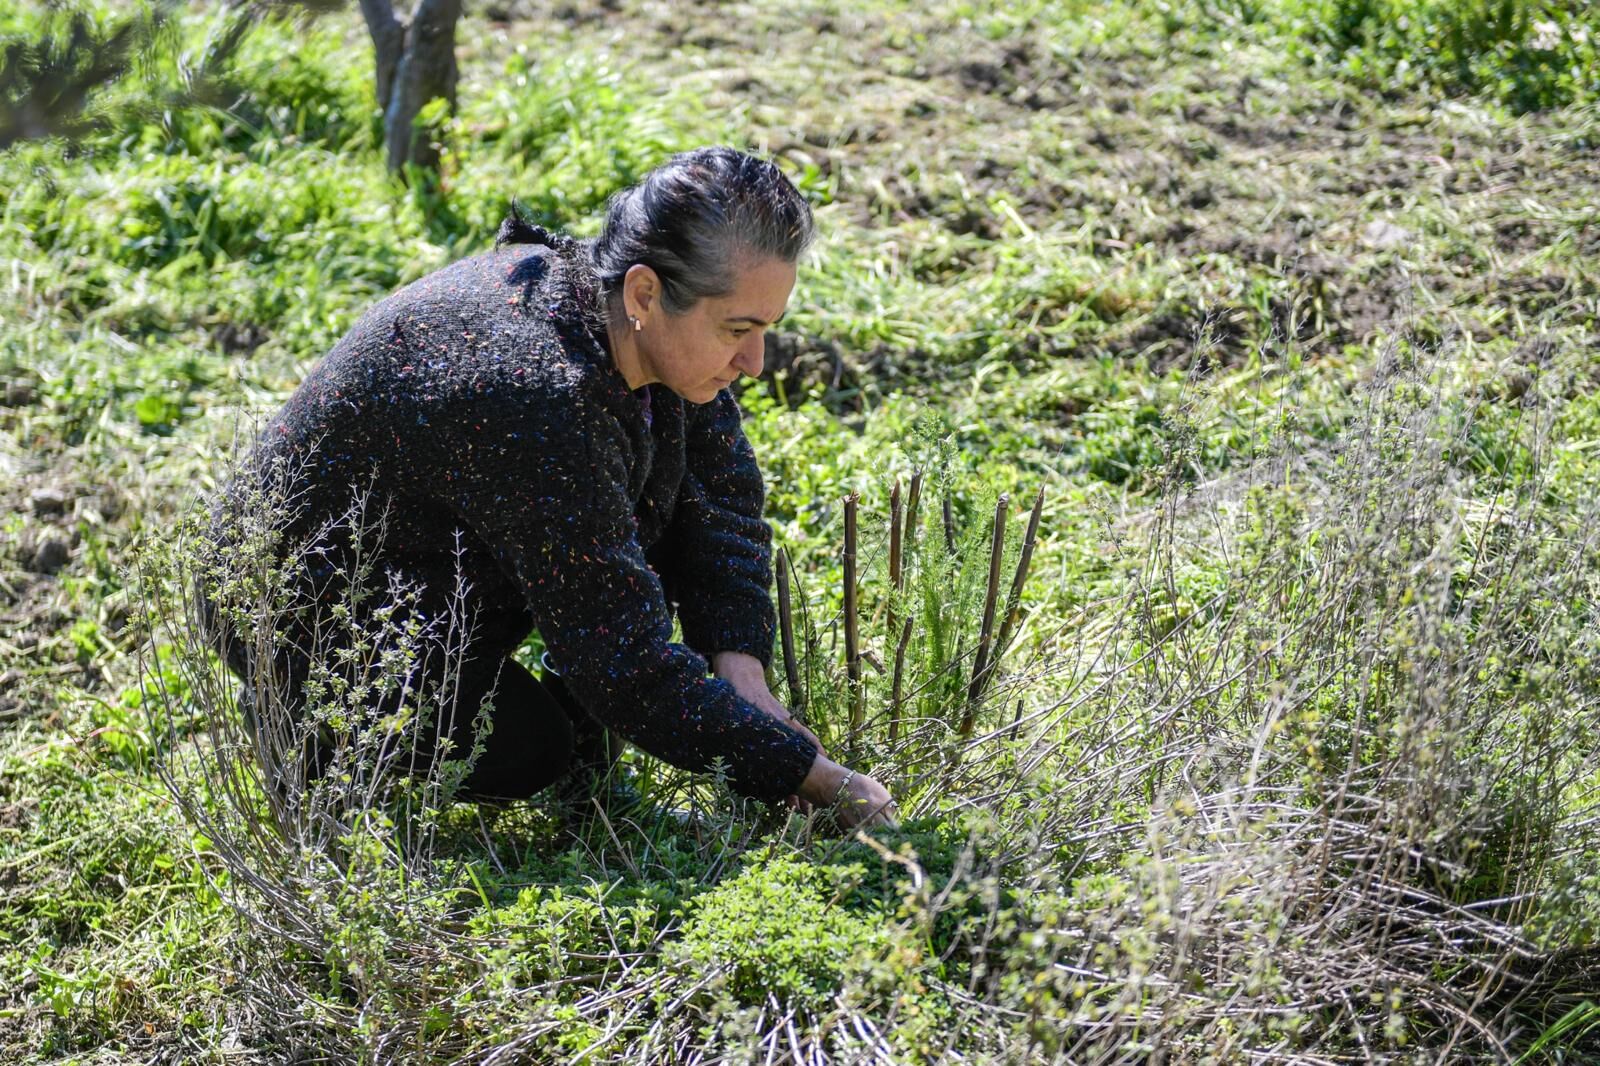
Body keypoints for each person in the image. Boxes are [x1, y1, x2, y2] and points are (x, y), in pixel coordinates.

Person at [205, 146, 896, 831]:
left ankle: (587, 788)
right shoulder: (539, 393)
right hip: (297, 608)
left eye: (765, 328)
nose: (754, 361)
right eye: (738, 329)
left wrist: (741, 667)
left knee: (651, 514)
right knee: (528, 748)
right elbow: (622, 662)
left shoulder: (637, 329)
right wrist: (807, 774)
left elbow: (720, 503)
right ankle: (302, 725)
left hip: (433, 565)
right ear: (645, 294)